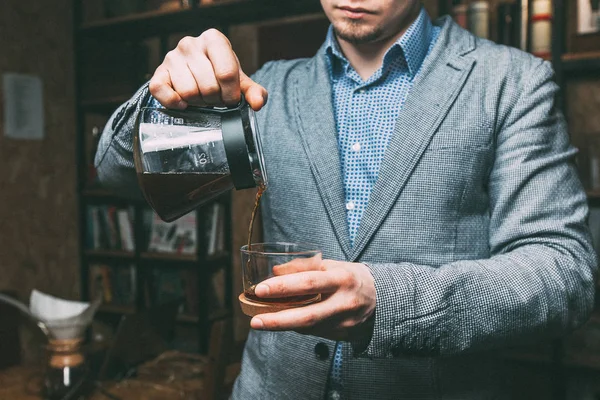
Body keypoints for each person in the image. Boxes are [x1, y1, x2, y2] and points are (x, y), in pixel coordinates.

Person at [95, 0, 598, 398]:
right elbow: (116, 174)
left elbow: (563, 272)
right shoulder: (264, 90)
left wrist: (389, 300)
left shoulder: (512, 83)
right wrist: (160, 93)